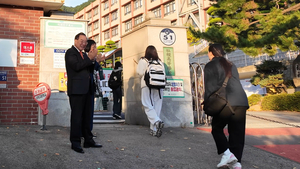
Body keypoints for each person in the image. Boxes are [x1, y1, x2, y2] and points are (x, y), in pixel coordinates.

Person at [203, 44, 249, 169]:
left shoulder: (210, 65)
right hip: (241, 101)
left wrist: (207, 102)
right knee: (237, 133)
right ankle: (237, 162)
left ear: (211, 53)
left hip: (226, 101)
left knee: (217, 128)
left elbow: (210, 87)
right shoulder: (231, 64)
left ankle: (228, 154)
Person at [65, 33, 102, 154]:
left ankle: (88, 140)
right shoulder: (71, 53)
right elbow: (76, 66)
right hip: (76, 90)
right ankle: (75, 142)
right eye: (81, 41)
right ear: (75, 40)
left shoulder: (84, 55)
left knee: (87, 117)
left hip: (87, 89)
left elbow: (89, 69)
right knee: (77, 117)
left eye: (85, 42)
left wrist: (95, 60)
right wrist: (89, 58)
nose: (84, 43)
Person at [136, 45, 164, 137]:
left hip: (146, 85)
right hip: (159, 87)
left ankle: (157, 121)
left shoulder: (143, 61)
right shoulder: (159, 62)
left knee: (147, 105)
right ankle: (154, 129)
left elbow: (140, 73)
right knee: (157, 107)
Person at [84, 39, 105, 136]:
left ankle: (89, 131)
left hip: (91, 88)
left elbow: (95, 69)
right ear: (89, 49)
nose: (96, 50)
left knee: (90, 112)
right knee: (85, 112)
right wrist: (95, 60)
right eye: (94, 47)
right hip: (85, 89)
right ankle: (85, 132)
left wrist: (97, 61)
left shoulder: (92, 60)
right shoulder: (84, 58)